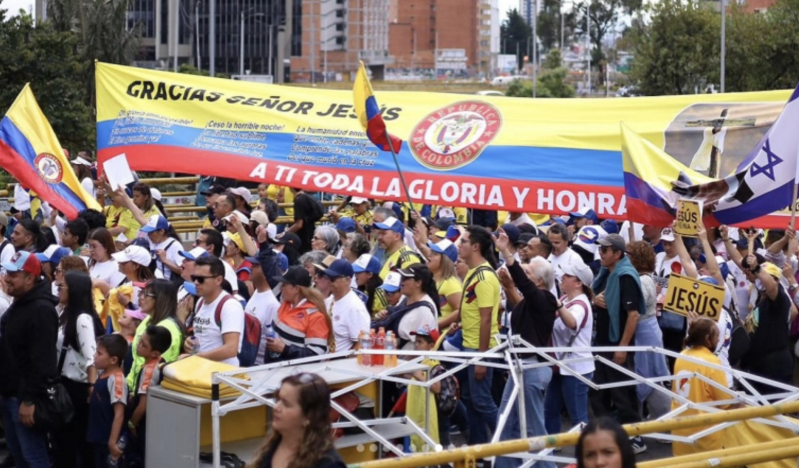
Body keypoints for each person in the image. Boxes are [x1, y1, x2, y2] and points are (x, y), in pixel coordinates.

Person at [494, 231, 558, 468]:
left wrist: (506, 254)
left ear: (539, 281)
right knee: (506, 423)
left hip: (531, 369)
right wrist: (509, 285)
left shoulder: (545, 299)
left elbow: (523, 286)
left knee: (533, 430)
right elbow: (520, 302)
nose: (523, 273)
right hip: (520, 367)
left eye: (528, 272)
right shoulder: (533, 302)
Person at [0, 252, 58, 468]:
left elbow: (43, 363)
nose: (7, 278)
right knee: (18, 454)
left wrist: (30, 401)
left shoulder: (41, 309)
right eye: (7, 272)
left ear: (30, 278)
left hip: (24, 398)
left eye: (14, 274)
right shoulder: (21, 302)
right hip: (10, 393)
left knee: (33, 458)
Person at [590, 234, 646, 453]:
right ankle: (608, 435)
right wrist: (593, 297)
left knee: (621, 393)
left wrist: (622, 347)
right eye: (600, 250)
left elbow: (633, 315)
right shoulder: (606, 273)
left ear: (617, 253)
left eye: (605, 250)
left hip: (617, 344)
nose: (600, 254)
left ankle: (635, 438)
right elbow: (593, 292)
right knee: (598, 391)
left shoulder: (626, 276)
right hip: (602, 342)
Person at [54, 271, 104, 468]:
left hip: (78, 388)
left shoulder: (82, 319)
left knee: (75, 442)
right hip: (64, 382)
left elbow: (92, 357)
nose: (58, 289)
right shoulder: (63, 312)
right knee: (62, 442)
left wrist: (91, 387)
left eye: (62, 286)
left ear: (73, 291)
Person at [456, 226, 501, 446]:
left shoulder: (483, 276)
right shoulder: (475, 272)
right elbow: (475, 311)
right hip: (469, 344)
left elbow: (486, 318)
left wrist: (482, 358)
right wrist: (461, 322)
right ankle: (479, 447)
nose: (458, 244)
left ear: (475, 246)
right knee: (471, 399)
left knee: (482, 401)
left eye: (463, 241)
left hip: (479, 349)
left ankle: (509, 443)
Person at [246, 373, 345, 468]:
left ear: (308, 417)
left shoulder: (329, 464)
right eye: (278, 400)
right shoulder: (272, 445)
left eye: (286, 404)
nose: (276, 407)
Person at [672, 316, 736, 456]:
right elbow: (726, 404)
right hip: (705, 438)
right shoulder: (711, 362)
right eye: (717, 336)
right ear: (708, 339)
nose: (719, 340)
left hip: (680, 434)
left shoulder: (681, 356)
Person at [545, 260, 595, 436]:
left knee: (578, 418)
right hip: (562, 366)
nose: (562, 278)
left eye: (567, 276)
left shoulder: (580, 304)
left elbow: (573, 322)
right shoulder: (566, 298)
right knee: (550, 410)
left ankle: (585, 458)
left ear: (579, 282)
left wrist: (557, 305)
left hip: (576, 369)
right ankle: (549, 452)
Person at [624, 241, 671, 420]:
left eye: (629, 256)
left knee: (648, 380)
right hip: (648, 330)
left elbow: (634, 309)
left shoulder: (642, 281)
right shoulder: (645, 278)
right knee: (650, 378)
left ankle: (668, 422)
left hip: (644, 333)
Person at [183, 256, 245, 366]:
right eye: (194, 278)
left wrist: (196, 358)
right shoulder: (201, 302)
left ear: (218, 280)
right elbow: (204, 335)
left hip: (222, 375)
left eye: (201, 279)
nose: (196, 282)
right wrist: (189, 341)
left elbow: (231, 349)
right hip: (202, 370)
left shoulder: (230, 306)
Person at [266, 266, 332, 361]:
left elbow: (316, 354)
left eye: (284, 284)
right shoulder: (286, 304)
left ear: (296, 289)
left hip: (293, 374)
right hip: (272, 370)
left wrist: (285, 349)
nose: (280, 288)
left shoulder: (315, 316)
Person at [128, 279, 185, 389]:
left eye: (146, 294)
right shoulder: (148, 319)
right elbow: (137, 361)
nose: (141, 297)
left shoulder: (168, 328)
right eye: (141, 293)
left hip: (148, 390)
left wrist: (139, 392)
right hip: (134, 387)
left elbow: (156, 366)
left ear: (160, 299)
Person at [127, 325, 171, 463]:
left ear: (155, 353)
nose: (138, 345)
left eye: (143, 345)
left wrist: (132, 424)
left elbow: (143, 405)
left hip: (146, 423)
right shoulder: (159, 362)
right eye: (140, 340)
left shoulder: (150, 370)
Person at [373, 264, 439, 349]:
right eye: (402, 278)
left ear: (418, 283)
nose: (401, 282)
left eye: (406, 278)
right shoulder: (405, 297)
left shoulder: (424, 311)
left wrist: (402, 361)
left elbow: (423, 347)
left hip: (409, 358)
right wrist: (386, 314)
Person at [88, 335, 129, 468]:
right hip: (98, 437)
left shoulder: (116, 380)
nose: (95, 356)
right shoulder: (103, 374)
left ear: (113, 359)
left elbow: (119, 414)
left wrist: (112, 442)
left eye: (99, 353)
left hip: (108, 440)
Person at [324, 259, 370, 352]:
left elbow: (361, 344)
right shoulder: (329, 300)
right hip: (324, 361)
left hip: (341, 362)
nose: (328, 281)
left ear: (347, 280)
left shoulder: (355, 307)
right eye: (327, 277)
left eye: (333, 279)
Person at [244, 254, 281, 364]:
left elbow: (273, 341)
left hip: (260, 366)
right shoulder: (257, 292)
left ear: (266, 273)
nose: (250, 267)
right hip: (248, 361)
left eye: (255, 266)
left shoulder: (273, 303)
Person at [427, 239, 462, 328]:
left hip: (442, 336)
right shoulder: (429, 279)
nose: (429, 256)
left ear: (445, 260)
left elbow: (460, 311)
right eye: (430, 252)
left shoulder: (451, 283)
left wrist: (437, 326)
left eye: (434, 254)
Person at [195, 228, 241, 293]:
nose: (194, 245)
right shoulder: (197, 265)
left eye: (198, 242)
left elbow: (234, 293)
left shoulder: (225, 269)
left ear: (210, 248)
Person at [141, 214, 184, 281]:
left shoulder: (175, 245)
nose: (148, 235)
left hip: (168, 286)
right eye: (148, 232)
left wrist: (165, 260)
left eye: (151, 232)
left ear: (161, 231)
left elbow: (183, 271)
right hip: (154, 283)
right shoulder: (151, 241)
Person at [285, 188, 320, 254]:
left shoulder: (299, 200)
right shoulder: (306, 197)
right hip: (310, 230)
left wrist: (285, 233)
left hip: (303, 236)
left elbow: (299, 224)